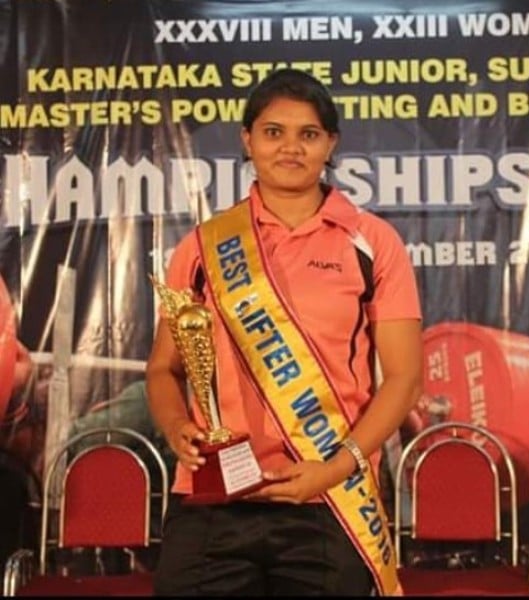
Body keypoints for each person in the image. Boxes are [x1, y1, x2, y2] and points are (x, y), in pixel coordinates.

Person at [145, 68, 423, 596]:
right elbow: (164, 368)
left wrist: (335, 468)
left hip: (330, 498)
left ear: (330, 144)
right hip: (215, 501)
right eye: (274, 132)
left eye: (308, 134)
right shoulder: (204, 246)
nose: (290, 147)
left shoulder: (372, 241)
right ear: (247, 140)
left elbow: (404, 379)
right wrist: (177, 425)